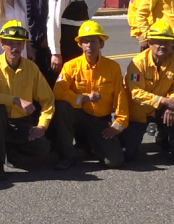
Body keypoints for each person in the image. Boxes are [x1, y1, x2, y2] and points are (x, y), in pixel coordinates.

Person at [0, 21, 54, 180]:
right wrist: (15, 100)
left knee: (42, 147)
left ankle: (9, 149)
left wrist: (42, 125)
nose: (15, 48)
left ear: (24, 46)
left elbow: (48, 99)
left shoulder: (31, 68)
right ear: (2, 44)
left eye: (19, 44)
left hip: (20, 121)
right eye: (10, 43)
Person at [52, 20, 129, 169]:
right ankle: (66, 156)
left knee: (114, 161)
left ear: (101, 44)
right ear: (80, 44)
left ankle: (88, 144)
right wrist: (84, 98)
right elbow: (58, 91)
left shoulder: (113, 67)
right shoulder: (70, 66)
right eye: (85, 42)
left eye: (93, 41)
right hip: (79, 115)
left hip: (100, 120)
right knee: (61, 107)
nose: (89, 46)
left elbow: (120, 97)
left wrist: (118, 125)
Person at [120, 20, 174, 167]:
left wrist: (173, 104)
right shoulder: (138, 63)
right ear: (149, 43)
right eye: (158, 42)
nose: (163, 46)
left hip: (162, 108)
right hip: (138, 113)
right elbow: (136, 93)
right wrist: (164, 101)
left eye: (167, 42)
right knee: (128, 155)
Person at [20, 0, 57, 86]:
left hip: (49, 45)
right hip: (35, 46)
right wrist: (41, 39)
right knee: (35, 81)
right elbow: (28, 19)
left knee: (50, 80)